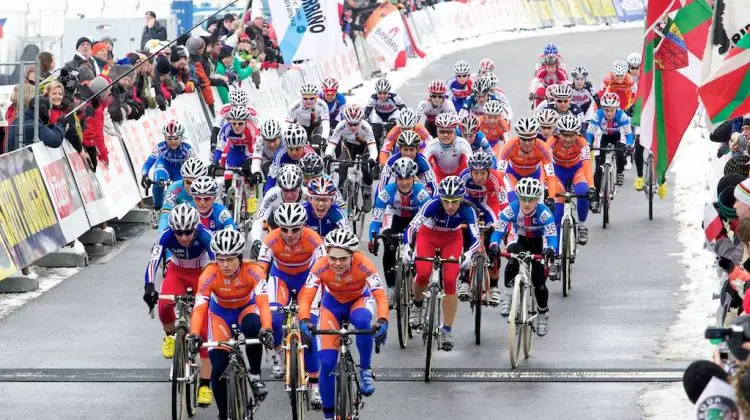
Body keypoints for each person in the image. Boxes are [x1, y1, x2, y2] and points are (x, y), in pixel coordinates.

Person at [299, 229, 389, 419]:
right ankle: (329, 415)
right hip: (332, 305)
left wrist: (382, 320)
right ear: (327, 255)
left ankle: (365, 369)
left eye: (343, 258)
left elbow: (380, 295)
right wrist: (305, 320)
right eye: (333, 258)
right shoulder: (320, 265)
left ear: (352, 255)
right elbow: (306, 296)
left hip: (359, 301)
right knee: (327, 363)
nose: (337, 263)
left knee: (363, 322)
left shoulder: (364, 264)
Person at [187, 228, 275, 416]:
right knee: (218, 367)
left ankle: (255, 375)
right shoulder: (209, 274)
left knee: (254, 327)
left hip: (246, 308)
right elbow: (200, 307)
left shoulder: (254, 271)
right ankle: (224, 413)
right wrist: (194, 334)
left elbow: (263, 304)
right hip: (220, 314)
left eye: (230, 259)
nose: (225, 265)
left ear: (240, 257)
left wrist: (267, 328)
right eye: (220, 259)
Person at [142, 204, 215, 405]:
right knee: (164, 305)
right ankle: (170, 336)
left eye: (188, 232)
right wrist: (149, 286)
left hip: (201, 274)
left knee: (202, 333)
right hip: (177, 272)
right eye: (179, 233)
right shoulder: (166, 235)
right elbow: (153, 261)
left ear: (195, 227)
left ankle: (205, 386)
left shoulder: (205, 235)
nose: (183, 237)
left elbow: (217, 263)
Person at [256, 203, 325, 406]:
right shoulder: (271, 239)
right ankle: (278, 353)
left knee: (309, 330)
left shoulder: (313, 238)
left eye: (295, 229)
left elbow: (323, 269)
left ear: (303, 226)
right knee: (275, 318)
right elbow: (261, 269)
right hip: (281, 279)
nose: (290, 234)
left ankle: (314, 386)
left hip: (307, 280)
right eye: (284, 229)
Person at [404, 176, 478, 350]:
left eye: (454, 202)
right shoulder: (432, 204)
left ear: (461, 199)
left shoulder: (468, 209)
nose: (450, 206)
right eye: (446, 202)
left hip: (452, 237)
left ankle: (447, 330)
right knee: (422, 272)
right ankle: (417, 303)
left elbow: (476, 238)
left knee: (451, 279)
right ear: (441, 199)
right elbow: (412, 228)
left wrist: (469, 253)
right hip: (428, 235)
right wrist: (407, 246)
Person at [489, 178, 557, 335]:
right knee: (512, 260)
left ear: (537, 199)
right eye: (523, 199)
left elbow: (552, 237)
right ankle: (507, 297)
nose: (527, 203)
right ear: (518, 198)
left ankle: (542, 313)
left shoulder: (545, 213)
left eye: (531, 200)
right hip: (519, 239)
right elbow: (498, 232)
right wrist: (493, 246)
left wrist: (550, 249)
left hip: (539, 242)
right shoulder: (511, 210)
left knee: (539, 282)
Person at [368, 158, 432, 305]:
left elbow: (428, 219)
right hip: (394, 218)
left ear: (413, 177)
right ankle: (391, 288)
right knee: (389, 245)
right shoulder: (387, 192)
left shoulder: (421, 192)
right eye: (400, 178)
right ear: (395, 178)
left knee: (418, 247)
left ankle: (417, 284)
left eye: (408, 178)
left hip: (415, 220)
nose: (404, 182)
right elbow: (376, 219)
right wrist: (373, 237)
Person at [456, 151, 508, 304]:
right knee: (466, 237)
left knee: (492, 244)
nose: (479, 177)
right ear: (470, 171)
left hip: (489, 206)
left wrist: (503, 227)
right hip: (468, 204)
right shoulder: (463, 177)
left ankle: (493, 287)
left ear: (489, 171)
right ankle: (464, 280)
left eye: (482, 173)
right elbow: (456, 199)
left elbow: (504, 205)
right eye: (476, 173)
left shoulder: (496, 179)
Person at [547, 115, 595, 245]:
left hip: (576, 170)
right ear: (558, 134)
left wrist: (591, 187)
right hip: (558, 172)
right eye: (565, 135)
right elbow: (547, 166)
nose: (568, 139)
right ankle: (555, 255)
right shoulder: (551, 142)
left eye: (572, 135)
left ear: (577, 134)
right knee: (557, 212)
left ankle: (582, 226)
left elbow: (587, 166)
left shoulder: (582, 142)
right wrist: (549, 192)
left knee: (583, 191)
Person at [325, 104, 380, 211]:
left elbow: (373, 147)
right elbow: (332, 144)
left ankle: (367, 193)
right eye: (350, 124)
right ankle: (341, 191)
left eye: (356, 124)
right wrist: (328, 155)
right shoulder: (340, 126)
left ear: (361, 120)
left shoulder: (366, 127)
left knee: (366, 168)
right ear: (345, 121)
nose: (353, 127)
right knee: (342, 165)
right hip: (349, 146)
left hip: (365, 147)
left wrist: (372, 159)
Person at [585, 92, 634, 211]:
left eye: (612, 110)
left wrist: (628, 145)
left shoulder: (622, 116)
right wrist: (588, 144)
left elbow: (628, 135)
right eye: (606, 110)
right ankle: (596, 199)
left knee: (620, 152)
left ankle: (619, 172)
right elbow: (590, 133)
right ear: (602, 108)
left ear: (616, 108)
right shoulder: (598, 115)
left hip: (618, 135)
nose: (609, 113)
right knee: (598, 170)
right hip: (604, 136)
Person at [497, 117, 559, 203]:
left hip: (534, 176)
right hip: (512, 175)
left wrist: (551, 197)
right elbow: (500, 172)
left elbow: (551, 175)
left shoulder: (543, 148)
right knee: (513, 202)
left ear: (535, 137)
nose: (527, 143)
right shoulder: (509, 146)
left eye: (530, 139)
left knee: (536, 205)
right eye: (523, 139)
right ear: (518, 137)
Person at [140, 120, 196, 215]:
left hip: (179, 170)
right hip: (164, 165)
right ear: (165, 138)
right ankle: (157, 208)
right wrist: (145, 175)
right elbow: (148, 163)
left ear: (181, 137)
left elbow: (194, 167)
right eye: (169, 139)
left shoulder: (188, 149)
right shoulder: (160, 147)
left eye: (176, 138)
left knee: (183, 188)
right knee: (159, 181)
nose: (173, 142)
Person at [249, 165, 305, 252]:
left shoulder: (308, 196)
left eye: (293, 190)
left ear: (300, 188)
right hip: (278, 228)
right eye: (285, 190)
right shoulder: (272, 194)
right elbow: (259, 220)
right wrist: (256, 241)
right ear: (280, 188)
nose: (289, 196)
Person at [211, 106, 258, 196]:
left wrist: (249, 163)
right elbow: (220, 146)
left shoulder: (251, 130)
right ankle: (229, 199)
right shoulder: (226, 129)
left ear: (245, 122)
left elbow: (255, 150)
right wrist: (215, 161)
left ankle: (252, 195)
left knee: (249, 175)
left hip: (249, 151)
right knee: (228, 174)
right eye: (234, 123)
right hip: (234, 151)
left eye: (240, 124)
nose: (236, 126)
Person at [157, 157, 209, 232]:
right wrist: (161, 233)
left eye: (196, 182)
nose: (191, 186)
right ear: (183, 179)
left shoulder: (210, 188)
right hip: (180, 226)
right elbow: (166, 213)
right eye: (188, 182)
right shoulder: (175, 187)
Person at [377, 131, 437, 195]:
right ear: (400, 149)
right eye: (405, 150)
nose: (408, 154)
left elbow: (434, 187)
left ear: (417, 149)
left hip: (419, 189)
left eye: (411, 150)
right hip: (398, 190)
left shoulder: (422, 161)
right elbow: (381, 185)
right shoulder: (392, 160)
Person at [265, 123, 316, 193]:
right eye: (291, 149)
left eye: (297, 149)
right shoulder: (280, 155)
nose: (294, 153)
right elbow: (271, 179)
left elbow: (317, 182)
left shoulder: (310, 155)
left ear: (304, 146)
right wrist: (267, 194)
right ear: (286, 147)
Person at [423, 113, 472, 182]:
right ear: (437, 131)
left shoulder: (463, 144)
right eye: (442, 132)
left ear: (455, 131)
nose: (445, 135)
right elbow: (423, 166)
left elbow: (471, 165)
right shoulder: (432, 145)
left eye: (449, 132)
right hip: (439, 176)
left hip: (460, 175)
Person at [286, 83, 330, 151]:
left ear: (316, 97)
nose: (308, 101)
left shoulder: (322, 105)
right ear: (301, 97)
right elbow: (287, 124)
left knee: (317, 144)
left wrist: (324, 138)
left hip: (316, 128)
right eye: (305, 98)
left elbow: (326, 123)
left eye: (311, 98)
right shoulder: (295, 105)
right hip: (301, 128)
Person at [364, 77, 406, 147]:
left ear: (388, 91)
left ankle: (396, 147)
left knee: (394, 133)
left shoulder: (394, 97)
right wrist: (366, 119)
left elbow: (404, 109)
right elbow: (367, 111)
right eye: (380, 93)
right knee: (375, 136)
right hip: (379, 116)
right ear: (376, 92)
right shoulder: (373, 98)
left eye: (385, 93)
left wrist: (402, 120)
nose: (382, 96)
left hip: (392, 115)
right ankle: (376, 154)